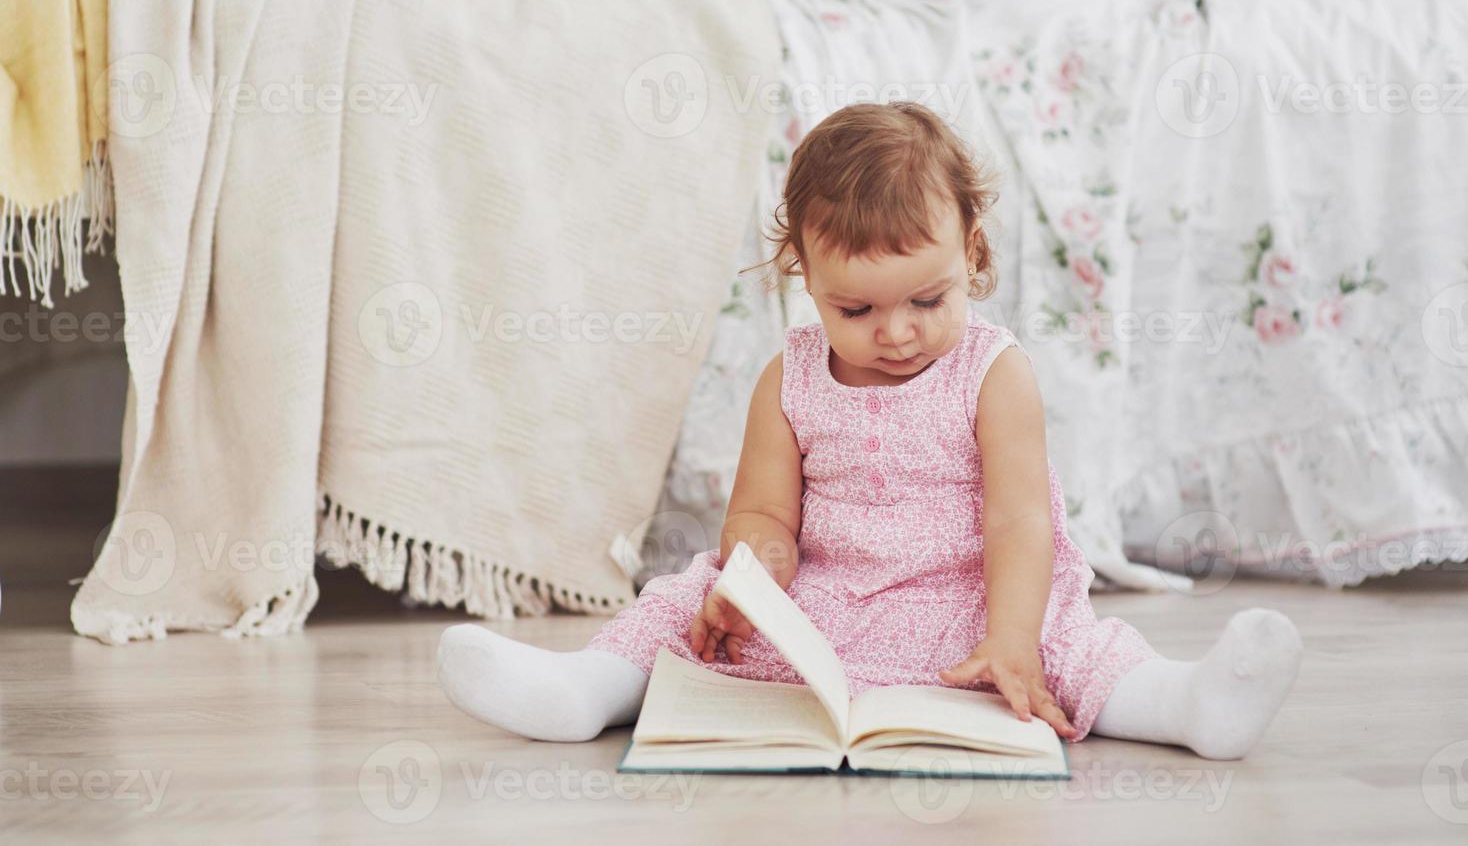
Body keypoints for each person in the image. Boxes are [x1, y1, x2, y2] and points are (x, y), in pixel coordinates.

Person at [436, 101, 1303, 759]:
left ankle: (1189, 706)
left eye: (928, 300)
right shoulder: (791, 377)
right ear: (803, 279)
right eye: (857, 308)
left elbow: (1019, 523)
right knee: (678, 606)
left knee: (1068, 649)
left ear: (972, 252)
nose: (896, 333)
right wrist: (757, 578)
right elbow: (764, 518)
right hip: (828, 600)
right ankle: (581, 690)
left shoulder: (994, 375)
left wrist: (1009, 638)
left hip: (974, 598)